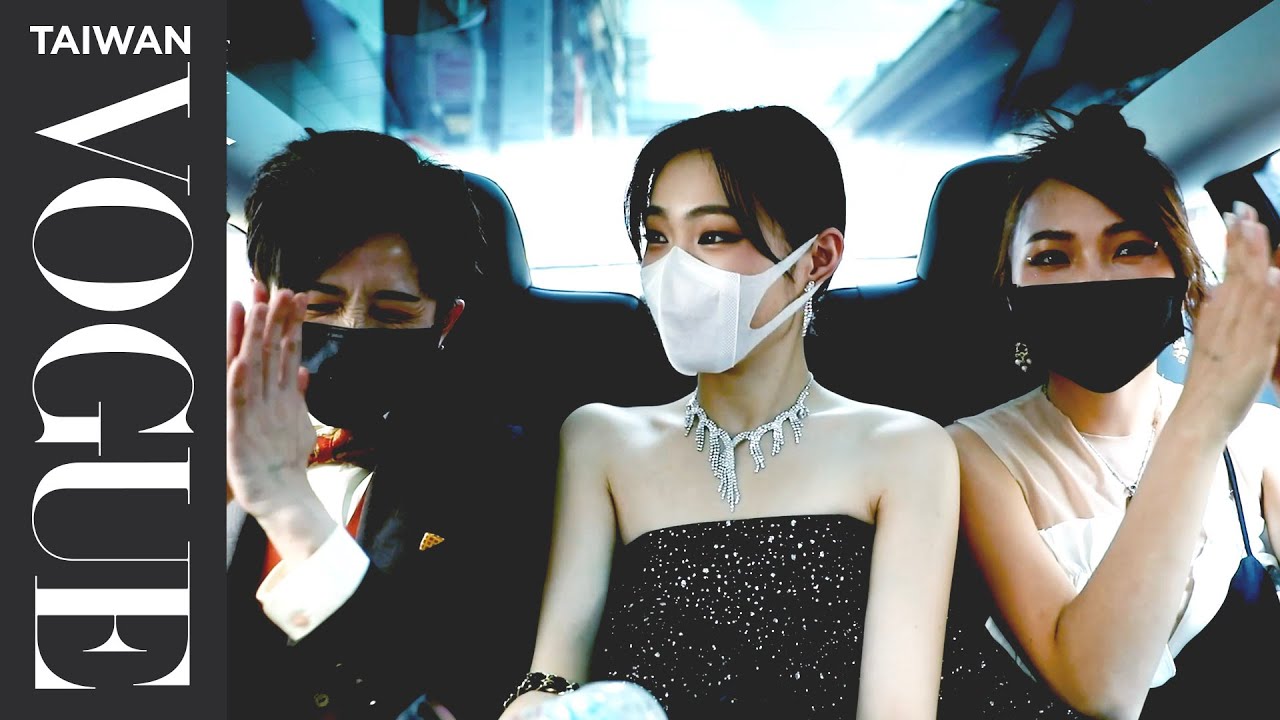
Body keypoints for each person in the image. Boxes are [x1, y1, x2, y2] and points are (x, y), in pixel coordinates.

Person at [499, 106, 959, 719]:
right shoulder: (600, 438)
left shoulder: (905, 448)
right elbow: (555, 672)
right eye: (657, 237)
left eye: (714, 235)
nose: (674, 267)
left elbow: (897, 710)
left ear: (818, 259)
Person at [948, 105, 1280, 719]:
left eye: (1130, 248)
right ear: (1011, 292)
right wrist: (1202, 420)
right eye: (1052, 257)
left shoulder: (1259, 434)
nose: (1092, 281)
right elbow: (1101, 689)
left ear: (1183, 272)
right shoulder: (971, 457)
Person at [225, 129, 550, 719]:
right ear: (263, 299)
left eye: (392, 313)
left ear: (445, 324)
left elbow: (448, 693)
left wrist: (287, 506)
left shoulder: (501, 472)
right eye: (318, 307)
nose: (351, 330)